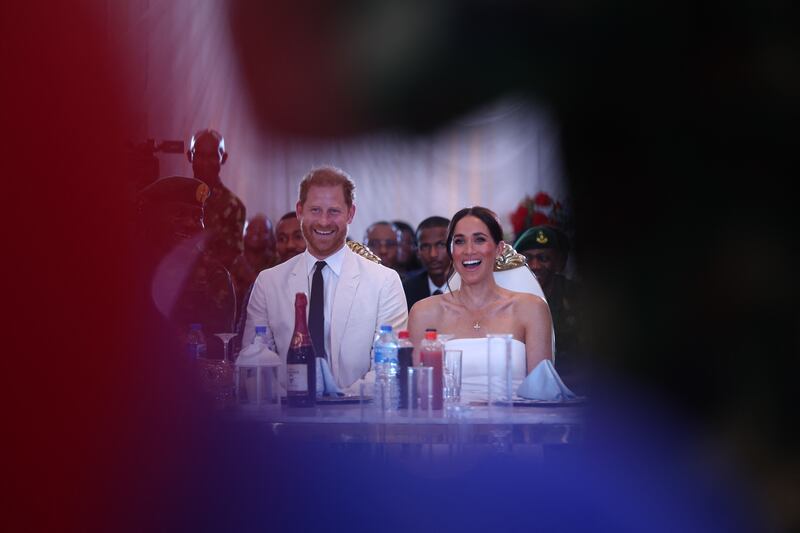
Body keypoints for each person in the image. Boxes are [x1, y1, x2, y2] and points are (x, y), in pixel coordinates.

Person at [243, 166, 408, 390]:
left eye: (334, 211)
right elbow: (254, 364)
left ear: (351, 213)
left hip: (358, 416)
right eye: (315, 210)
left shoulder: (384, 282)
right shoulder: (268, 282)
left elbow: (389, 367)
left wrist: (341, 406)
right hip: (285, 417)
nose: (323, 221)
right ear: (300, 211)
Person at [408, 206, 553, 392]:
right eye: (459, 241)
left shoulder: (531, 308)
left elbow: (543, 394)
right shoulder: (423, 312)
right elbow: (416, 392)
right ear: (451, 251)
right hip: (446, 419)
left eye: (479, 240)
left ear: (499, 249)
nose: (469, 250)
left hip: (514, 418)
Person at [135, 175, 237, 358]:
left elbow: (221, 348)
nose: (191, 224)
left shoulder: (214, 275)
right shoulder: (127, 269)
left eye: (198, 216)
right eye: (179, 214)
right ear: (152, 216)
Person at [514, 225, 584, 378]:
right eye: (527, 258)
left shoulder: (577, 296)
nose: (535, 266)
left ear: (559, 263)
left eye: (544, 258)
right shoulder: (507, 296)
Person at [187, 128, 246, 271]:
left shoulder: (234, 206)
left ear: (223, 158)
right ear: (190, 156)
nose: (206, 162)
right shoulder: (176, 197)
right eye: (200, 155)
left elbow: (233, 255)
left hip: (216, 287)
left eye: (212, 156)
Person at [402, 216, 451, 310]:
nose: (433, 254)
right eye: (425, 246)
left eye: (441, 245)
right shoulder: (407, 290)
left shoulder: (469, 287)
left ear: (454, 246)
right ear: (417, 252)